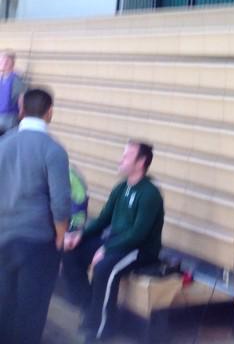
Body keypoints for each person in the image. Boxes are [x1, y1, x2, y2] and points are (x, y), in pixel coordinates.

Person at [61, 140, 164, 343]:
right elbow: (102, 219)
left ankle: (103, 329)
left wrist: (106, 249)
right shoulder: (120, 189)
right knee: (72, 252)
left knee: (104, 268)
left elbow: (137, 235)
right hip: (117, 243)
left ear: (141, 161)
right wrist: (80, 235)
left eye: (126, 156)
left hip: (139, 250)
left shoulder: (150, 194)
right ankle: (90, 307)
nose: (121, 159)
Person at [0, 87, 71, 344]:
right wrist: (61, 236)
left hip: (3, 238)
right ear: (50, 112)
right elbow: (61, 202)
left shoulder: (3, 144)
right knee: (31, 312)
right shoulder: (53, 151)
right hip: (37, 243)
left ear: (21, 110)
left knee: (4, 307)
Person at [0, 49, 27, 134]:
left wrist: (21, 116)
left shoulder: (16, 80)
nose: (1, 63)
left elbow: (21, 99)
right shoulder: (2, 78)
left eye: (3, 61)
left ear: (10, 63)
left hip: (10, 118)